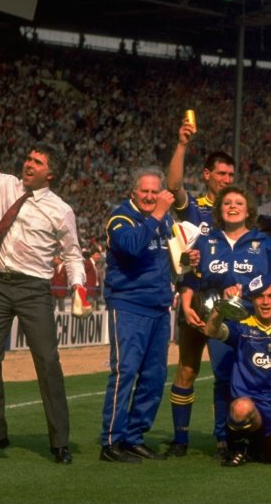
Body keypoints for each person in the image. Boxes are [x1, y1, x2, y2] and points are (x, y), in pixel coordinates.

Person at [0, 102, 87, 464]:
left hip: (33, 291)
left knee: (46, 361)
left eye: (38, 162)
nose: (29, 163)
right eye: (29, 158)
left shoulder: (61, 210)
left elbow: (73, 255)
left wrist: (78, 287)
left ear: (50, 174)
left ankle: (60, 442)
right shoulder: (3, 184)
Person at [181, 185, 271, 461]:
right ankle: (224, 436)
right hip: (221, 319)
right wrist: (186, 301)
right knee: (224, 377)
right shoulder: (206, 241)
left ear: (249, 210)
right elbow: (193, 276)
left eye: (239, 202)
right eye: (227, 203)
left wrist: (250, 290)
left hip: (257, 319)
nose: (233, 206)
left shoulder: (264, 243)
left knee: (263, 377)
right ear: (219, 209)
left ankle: (263, 434)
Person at [164, 117, 236, 459]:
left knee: (224, 373)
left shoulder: (238, 211)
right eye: (221, 174)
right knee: (188, 369)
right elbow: (173, 184)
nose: (226, 180)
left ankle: (223, 438)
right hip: (193, 296)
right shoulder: (195, 207)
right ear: (206, 174)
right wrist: (182, 145)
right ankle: (180, 439)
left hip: (225, 303)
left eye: (230, 176)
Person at [100, 167, 180, 463]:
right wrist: (157, 214)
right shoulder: (120, 218)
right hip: (129, 305)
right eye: (144, 191)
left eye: (154, 191)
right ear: (133, 193)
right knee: (125, 373)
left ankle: (134, 436)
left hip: (159, 307)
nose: (149, 196)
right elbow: (132, 248)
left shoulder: (165, 220)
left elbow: (168, 256)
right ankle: (111, 442)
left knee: (154, 377)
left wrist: (186, 259)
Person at [203, 280, 271, 470]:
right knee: (240, 408)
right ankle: (238, 445)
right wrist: (221, 306)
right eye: (260, 296)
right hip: (253, 407)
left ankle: (262, 445)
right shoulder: (242, 327)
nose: (265, 302)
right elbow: (210, 330)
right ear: (252, 300)